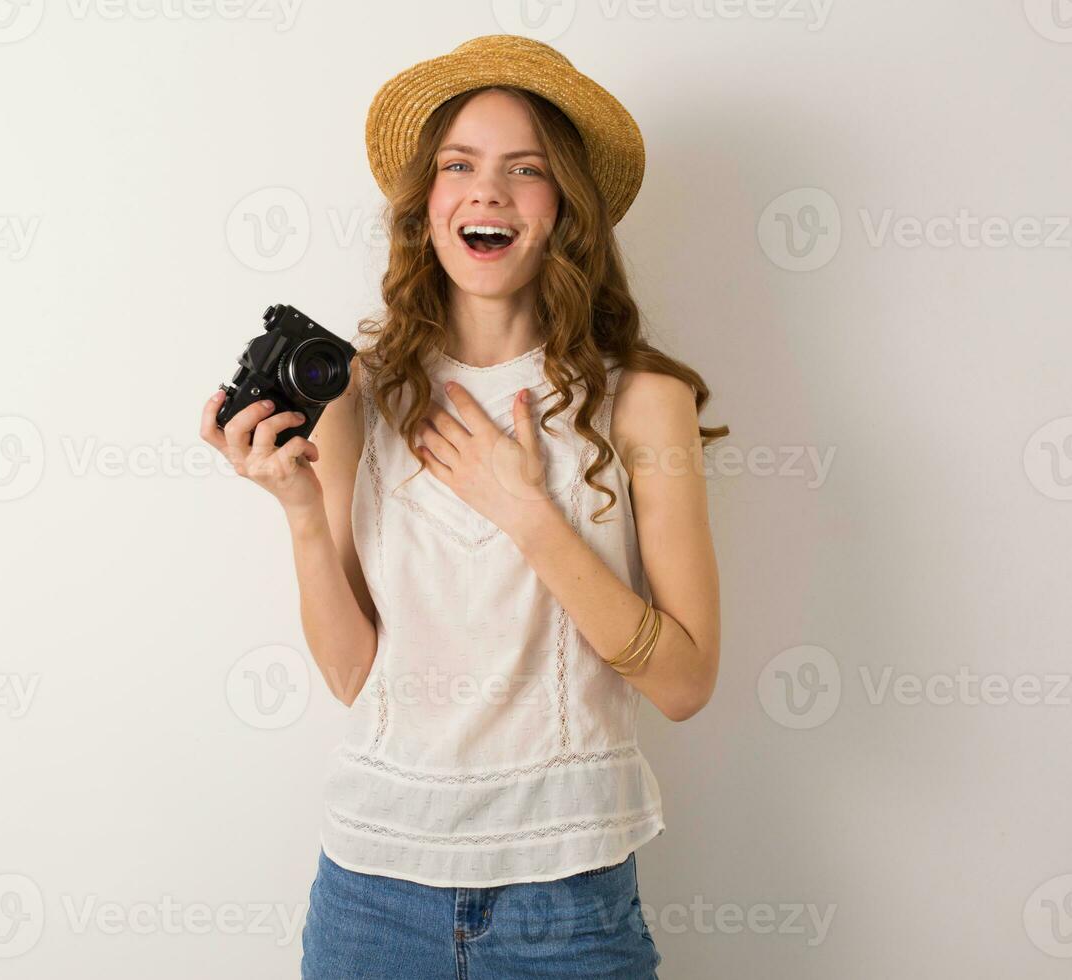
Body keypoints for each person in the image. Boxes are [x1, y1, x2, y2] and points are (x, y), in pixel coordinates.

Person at [200, 33, 727, 980]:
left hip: (568, 902)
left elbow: (685, 684)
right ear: (428, 205)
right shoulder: (363, 391)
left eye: (525, 170)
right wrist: (301, 512)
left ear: (564, 208)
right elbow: (357, 675)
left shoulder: (644, 401)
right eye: (459, 166)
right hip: (371, 891)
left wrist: (529, 515)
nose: (487, 191)